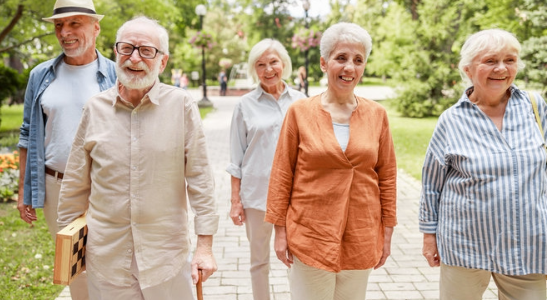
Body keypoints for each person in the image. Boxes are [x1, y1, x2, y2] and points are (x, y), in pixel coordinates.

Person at [57, 16, 219, 299]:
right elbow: (74, 183)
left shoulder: (182, 106)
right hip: (106, 261)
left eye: (146, 50)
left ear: (162, 61)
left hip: (165, 260)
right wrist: (69, 245)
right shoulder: (94, 109)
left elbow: (201, 180)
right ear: (116, 52)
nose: (134, 58)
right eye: (127, 48)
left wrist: (204, 247)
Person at [264, 22, 397, 300]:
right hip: (310, 235)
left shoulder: (377, 115)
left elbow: (387, 176)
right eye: (341, 58)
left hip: (361, 234)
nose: (350, 67)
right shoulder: (299, 112)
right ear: (324, 63)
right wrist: (280, 231)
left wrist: (387, 231)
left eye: (358, 60)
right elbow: (281, 173)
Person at [419, 28, 547, 300]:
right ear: (468, 69)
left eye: (510, 60)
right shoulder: (451, 120)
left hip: (526, 243)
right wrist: (429, 236)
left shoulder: (535, 107)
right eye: (490, 61)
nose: (501, 68)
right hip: (466, 244)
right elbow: (432, 183)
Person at [16, 0, 116, 298]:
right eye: (60, 25)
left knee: (112, 261)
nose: (65, 32)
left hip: (106, 184)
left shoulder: (117, 74)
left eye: (75, 23)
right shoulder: (40, 75)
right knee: (75, 265)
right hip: (56, 187)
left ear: (96, 28)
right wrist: (24, 191)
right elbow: (26, 134)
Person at [227, 39, 306, 300]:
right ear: (254, 69)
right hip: (256, 195)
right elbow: (236, 157)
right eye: (260, 64)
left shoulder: (301, 101)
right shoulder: (244, 105)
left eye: (273, 62)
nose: (268, 69)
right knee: (259, 261)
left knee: (298, 259)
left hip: (296, 196)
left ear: (284, 64)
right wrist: (235, 201)